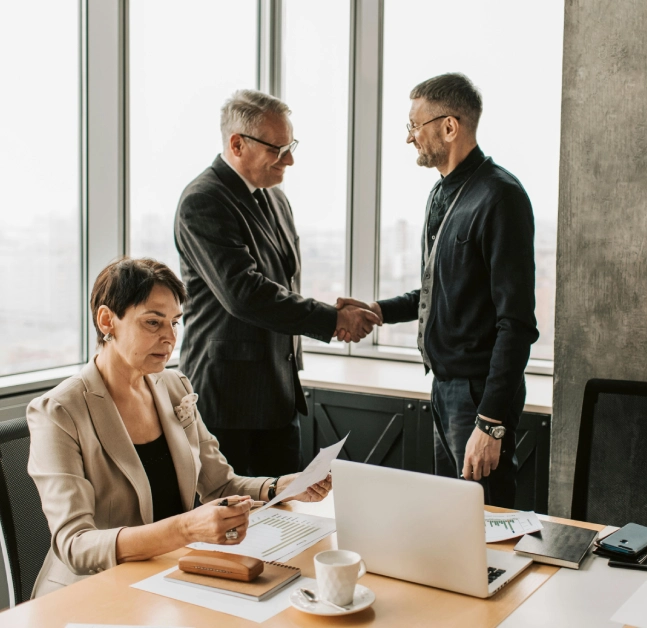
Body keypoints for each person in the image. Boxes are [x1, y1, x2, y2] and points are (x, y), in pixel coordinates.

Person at [26, 258, 331, 598]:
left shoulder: (174, 387)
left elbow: (220, 485)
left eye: (174, 323)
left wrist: (278, 488)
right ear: (106, 320)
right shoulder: (58, 411)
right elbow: (75, 545)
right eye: (153, 323)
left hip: (169, 576)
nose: (170, 338)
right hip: (91, 592)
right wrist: (186, 528)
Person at [337, 73, 538, 507]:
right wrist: (378, 309)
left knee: (488, 527)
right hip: (443, 390)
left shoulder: (501, 197)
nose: (410, 138)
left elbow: (517, 324)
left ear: (449, 127)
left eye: (415, 125)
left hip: (478, 398)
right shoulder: (440, 194)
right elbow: (438, 291)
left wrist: (491, 423)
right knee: (452, 521)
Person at [174, 89, 379, 478]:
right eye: (278, 148)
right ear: (237, 144)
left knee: (286, 513)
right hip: (229, 404)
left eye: (291, 145)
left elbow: (282, 284)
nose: (290, 159)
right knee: (236, 529)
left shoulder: (275, 199)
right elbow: (245, 294)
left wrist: (337, 314)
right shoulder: (203, 201)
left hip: (279, 396)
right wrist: (331, 319)